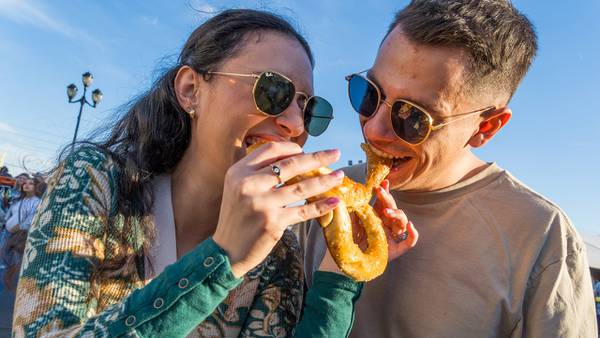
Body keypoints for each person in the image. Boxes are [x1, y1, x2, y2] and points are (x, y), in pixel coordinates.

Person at [13, 9, 415, 338]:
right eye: (273, 91)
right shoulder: (96, 181)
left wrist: (338, 277)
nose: (294, 124)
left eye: (310, 109)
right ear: (190, 89)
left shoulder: (277, 254)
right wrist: (223, 258)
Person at [301, 0, 597, 337]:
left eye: (412, 117)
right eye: (369, 93)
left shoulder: (540, 238)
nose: (373, 130)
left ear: (486, 128)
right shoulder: (327, 199)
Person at [1, 177, 41, 336]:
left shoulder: (37, 202)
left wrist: (18, 227)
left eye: (31, 183)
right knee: (5, 264)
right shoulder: (19, 200)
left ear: (36, 187)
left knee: (16, 269)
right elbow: (10, 214)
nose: (27, 185)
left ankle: (18, 302)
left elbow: (31, 220)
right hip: (7, 235)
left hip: (20, 237)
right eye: (26, 183)